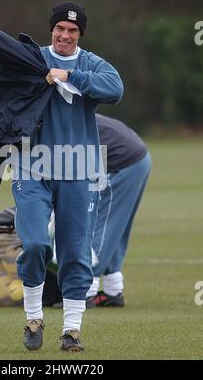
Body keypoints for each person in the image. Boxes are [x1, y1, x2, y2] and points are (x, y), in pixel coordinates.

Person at [0, 2, 123, 352]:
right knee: (34, 243)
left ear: (80, 35)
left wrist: (70, 76)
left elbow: (115, 89)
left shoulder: (90, 64)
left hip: (78, 171)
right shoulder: (32, 59)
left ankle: (72, 330)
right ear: (51, 30)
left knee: (75, 253)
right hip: (31, 168)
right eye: (60, 29)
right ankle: (34, 317)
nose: (65, 35)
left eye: (73, 31)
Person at [50, 114, 151, 308]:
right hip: (137, 158)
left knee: (99, 226)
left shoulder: (60, 123)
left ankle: (85, 291)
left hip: (123, 162)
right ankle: (113, 290)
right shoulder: (64, 114)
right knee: (115, 228)